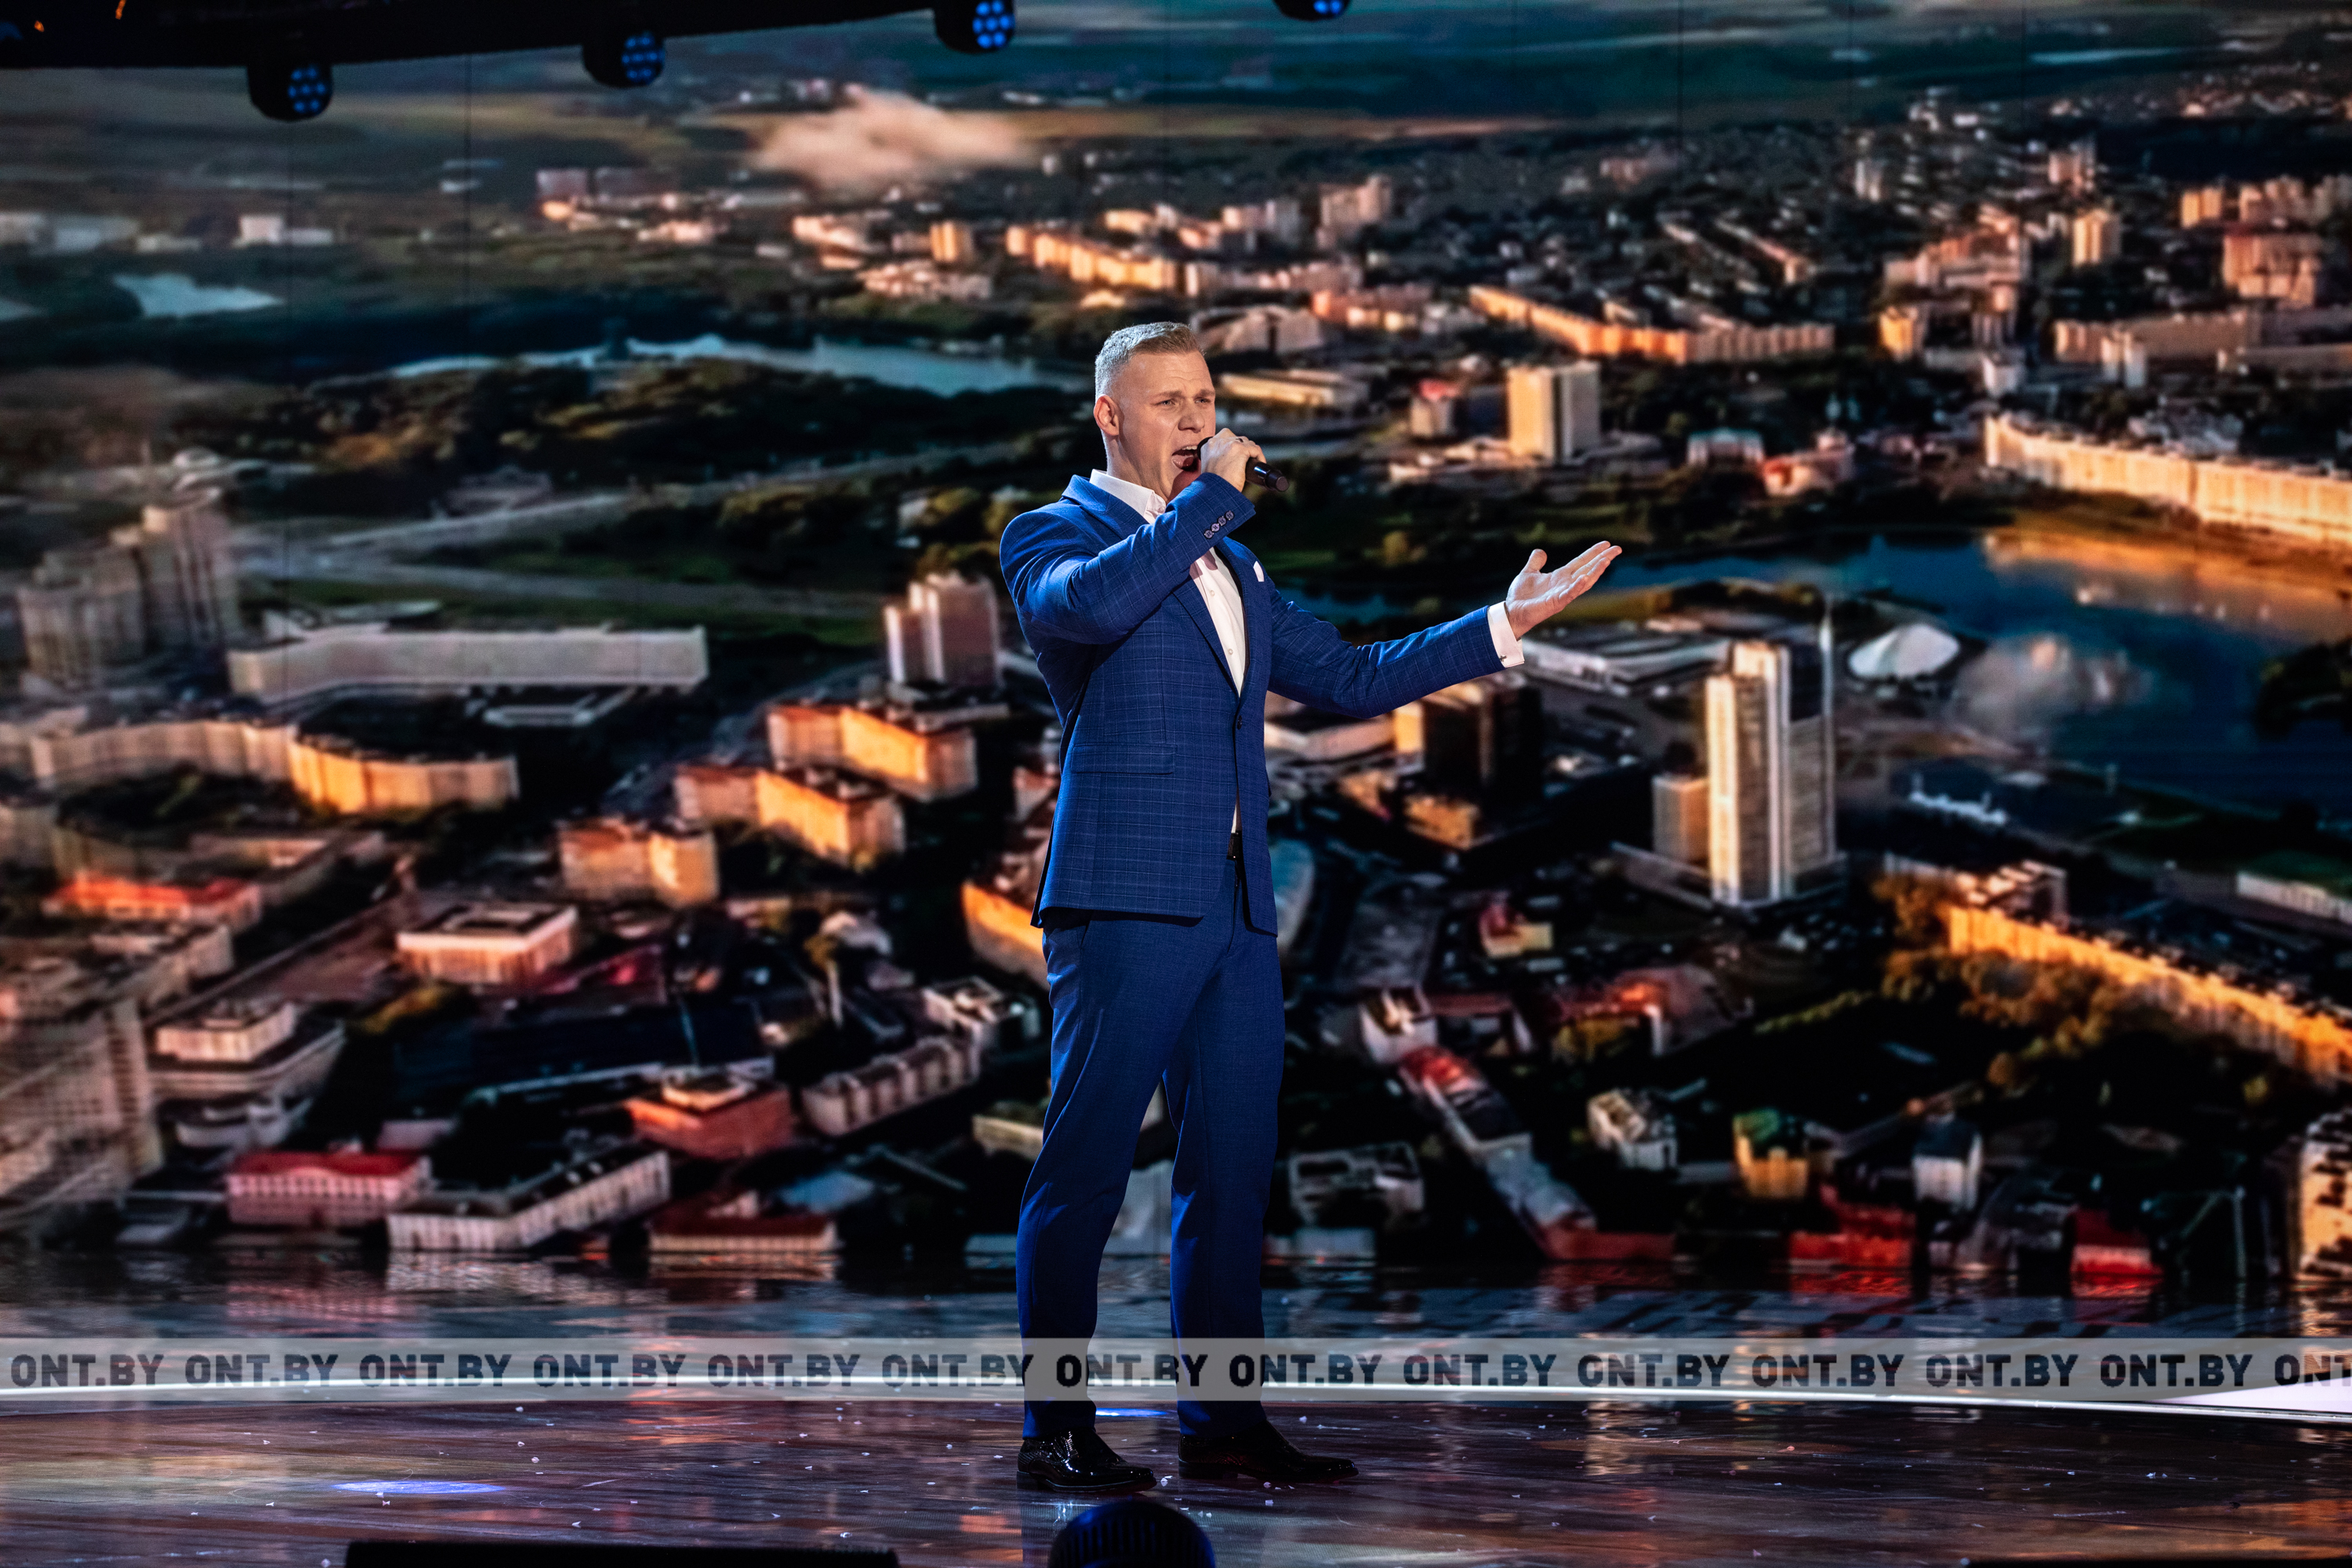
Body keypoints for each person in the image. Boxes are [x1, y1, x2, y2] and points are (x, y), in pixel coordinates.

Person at [996, 321, 1619, 1491]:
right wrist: (1210, 506)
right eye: (1169, 403)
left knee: (1232, 1175)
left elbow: (1351, 677)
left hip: (1237, 907)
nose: (1197, 421)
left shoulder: (1232, 564)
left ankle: (1223, 1428)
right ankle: (1057, 1432)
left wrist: (1505, 625)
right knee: (1084, 1169)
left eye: (1206, 399)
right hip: (1125, 900)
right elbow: (1094, 608)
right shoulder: (1053, 535)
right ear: (1110, 418)